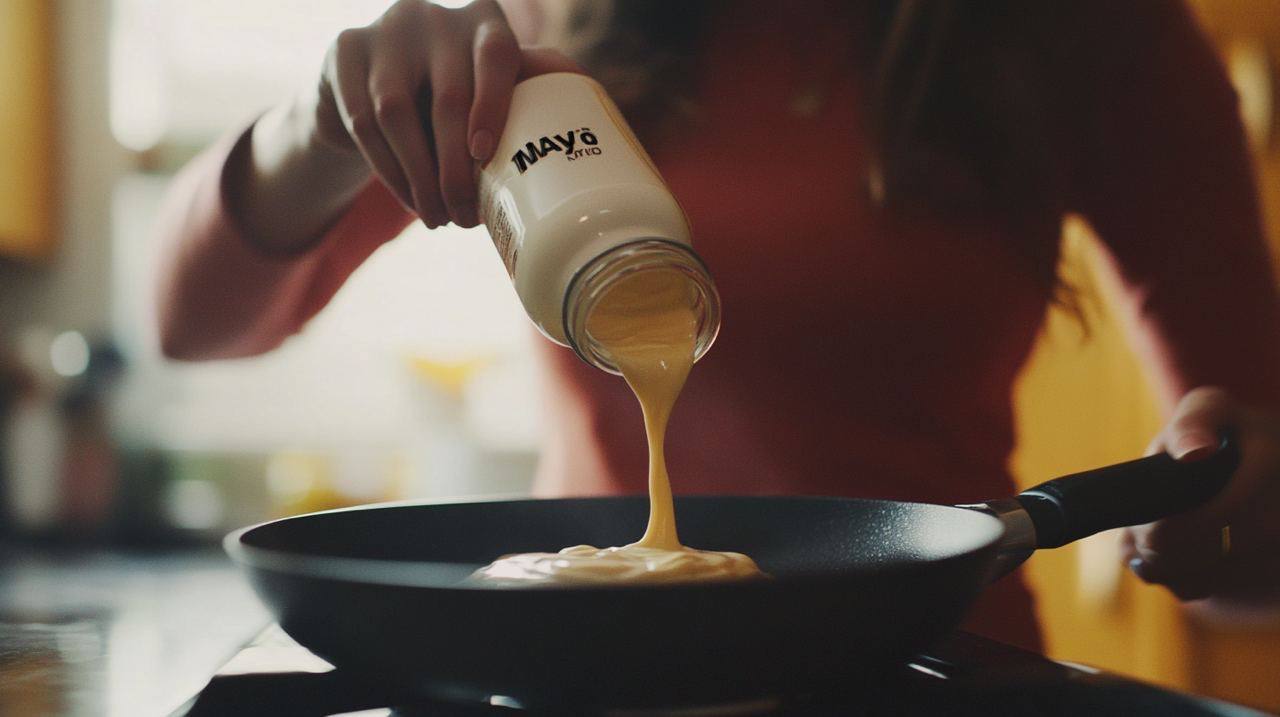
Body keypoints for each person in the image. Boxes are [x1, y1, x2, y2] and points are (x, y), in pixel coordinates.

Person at [154, 0, 1280, 650]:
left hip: (938, 679)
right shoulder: (543, 40)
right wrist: (315, 127)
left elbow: (1251, 522)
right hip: (575, 670)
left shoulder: (1088, 32)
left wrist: (1223, 516)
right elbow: (195, 325)